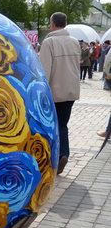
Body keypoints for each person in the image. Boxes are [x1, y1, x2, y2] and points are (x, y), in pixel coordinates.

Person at [39, 12, 81, 174]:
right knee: (63, 125)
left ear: (53, 23)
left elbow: (44, 71)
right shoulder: (74, 41)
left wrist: (42, 93)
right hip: (71, 91)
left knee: (50, 126)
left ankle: (53, 157)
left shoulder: (49, 42)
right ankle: (64, 153)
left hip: (54, 93)